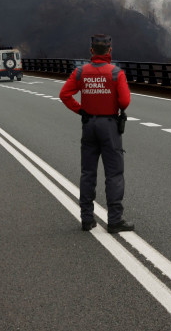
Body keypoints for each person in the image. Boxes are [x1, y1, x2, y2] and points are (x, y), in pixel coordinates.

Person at [59, 34, 134, 233]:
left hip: (89, 124)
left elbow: (64, 95)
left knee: (88, 173)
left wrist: (80, 109)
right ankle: (115, 220)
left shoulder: (80, 72)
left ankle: (86, 219)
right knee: (114, 174)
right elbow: (125, 102)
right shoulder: (116, 73)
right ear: (110, 51)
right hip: (109, 126)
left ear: (91, 51)